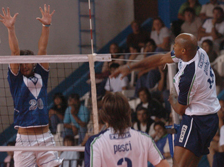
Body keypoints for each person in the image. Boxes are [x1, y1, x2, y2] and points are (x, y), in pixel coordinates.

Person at [111, 33, 220, 167]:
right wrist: (129, 67)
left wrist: (172, 98)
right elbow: (161, 59)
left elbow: (180, 109)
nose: (173, 46)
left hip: (197, 121)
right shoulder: (198, 51)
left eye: (175, 45)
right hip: (208, 117)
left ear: (183, 51)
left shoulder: (189, 77)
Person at [0, 5, 63, 166]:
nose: (25, 65)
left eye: (28, 62)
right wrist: (11, 29)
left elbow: (42, 49)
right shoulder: (15, 79)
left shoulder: (41, 74)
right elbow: (14, 52)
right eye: (22, 63)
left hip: (45, 137)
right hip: (25, 140)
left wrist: (46, 25)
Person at [84, 92, 169, 167]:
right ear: (128, 114)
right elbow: (164, 165)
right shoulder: (144, 138)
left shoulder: (96, 143)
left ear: (103, 117)